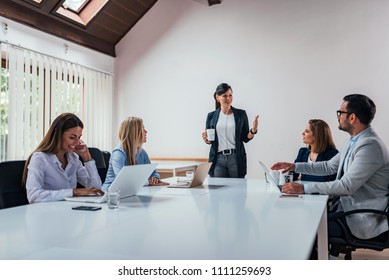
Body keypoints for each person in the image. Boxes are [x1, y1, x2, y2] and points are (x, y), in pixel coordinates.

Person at [271, 94, 389, 241]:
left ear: (352, 118)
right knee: (301, 217)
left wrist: (304, 188)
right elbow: (328, 166)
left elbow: (346, 186)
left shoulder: (370, 146)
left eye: (340, 112)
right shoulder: (353, 141)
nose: (338, 116)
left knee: (305, 224)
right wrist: (295, 166)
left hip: (362, 218)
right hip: (345, 209)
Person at [23, 113, 103, 203]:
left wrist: (87, 157)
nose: (77, 142)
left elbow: (96, 189)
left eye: (79, 137)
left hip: (68, 210)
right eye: (72, 137)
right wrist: (74, 192)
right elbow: (33, 196)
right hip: (46, 213)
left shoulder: (73, 158)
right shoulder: (40, 158)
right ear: (58, 135)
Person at [202, 83, 259, 178]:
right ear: (217, 97)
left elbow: (245, 138)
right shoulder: (211, 116)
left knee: (237, 190)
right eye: (224, 96)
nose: (228, 98)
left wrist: (253, 130)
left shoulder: (241, 114)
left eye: (230, 95)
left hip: (235, 158)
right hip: (218, 159)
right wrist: (206, 139)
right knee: (218, 190)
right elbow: (210, 139)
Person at [102, 116, 167, 191]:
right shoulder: (118, 153)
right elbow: (123, 181)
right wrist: (148, 182)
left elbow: (152, 172)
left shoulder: (142, 152)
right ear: (134, 132)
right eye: (143, 128)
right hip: (111, 194)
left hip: (130, 192)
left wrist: (155, 178)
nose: (146, 132)